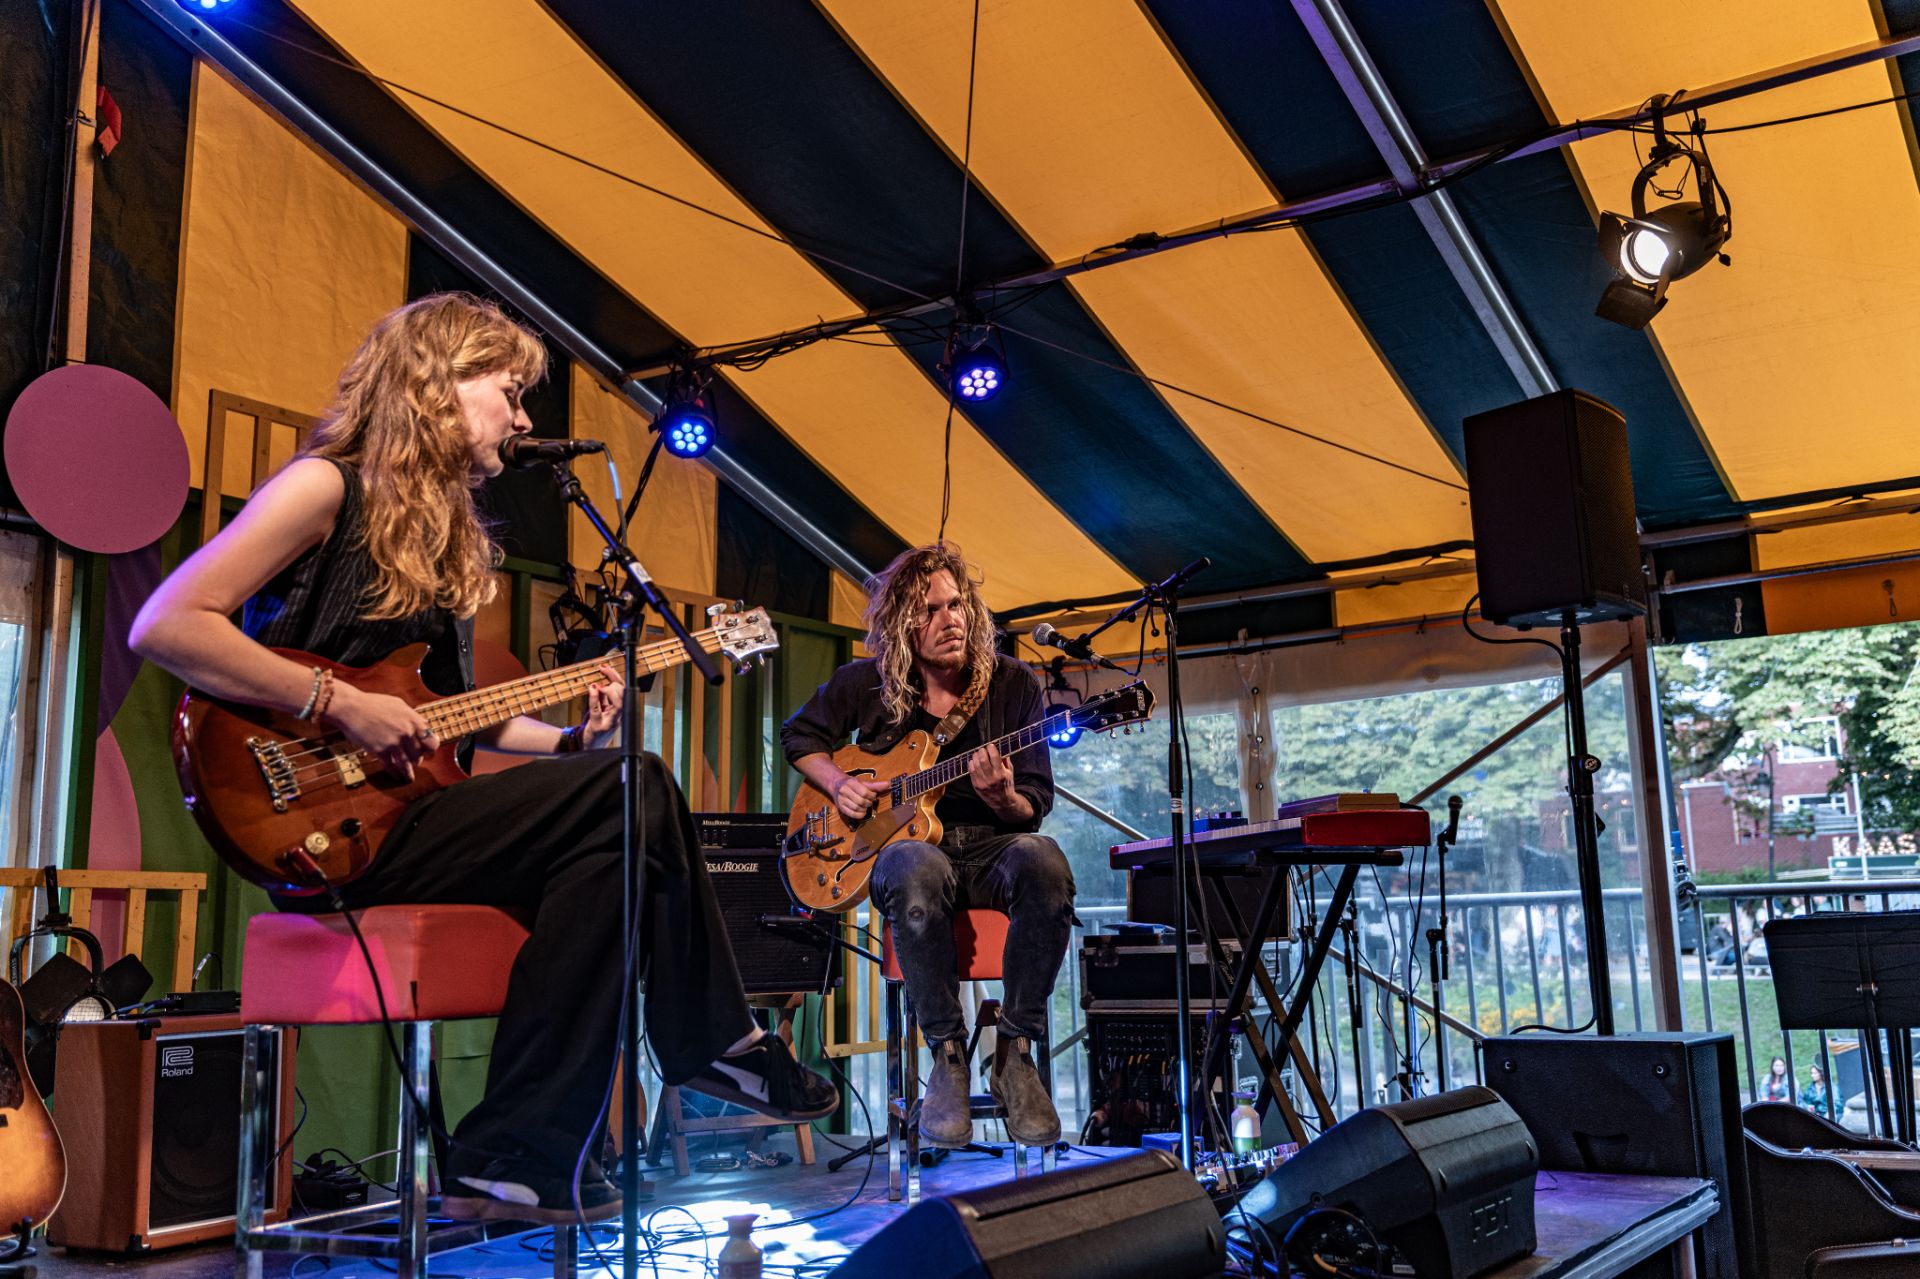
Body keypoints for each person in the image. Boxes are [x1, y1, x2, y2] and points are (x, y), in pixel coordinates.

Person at [130, 293, 835, 1223]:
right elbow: (166, 622)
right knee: (637, 788)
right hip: (313, 813)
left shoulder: (442, 538)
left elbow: (452, 722)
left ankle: (512, 1159)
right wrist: (337, 700)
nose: (525, 419)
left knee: (613, 845)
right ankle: (711, 1040)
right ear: (440, 383)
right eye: (510, 392)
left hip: (411, 808)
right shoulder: (325, 488)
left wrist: (572, 742)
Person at [781, 544, 1075, 1150]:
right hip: (914, 855)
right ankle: (947, 1054)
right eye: (931, 610)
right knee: (912, 864)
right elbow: (798, 735)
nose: (951, 619)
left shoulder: (1013, 684)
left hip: (994, 848)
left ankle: (1015, 1051)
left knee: (1045, 860)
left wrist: (1003, 799)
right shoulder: (867, 683)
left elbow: (1035, 802)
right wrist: (838, 784)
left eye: (957, 605)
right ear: (900, 625)